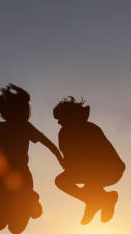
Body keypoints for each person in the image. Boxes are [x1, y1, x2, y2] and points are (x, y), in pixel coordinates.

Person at [0, 84, 64, 234]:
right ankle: (27, 201)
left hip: (22, 175)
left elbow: (47, 142)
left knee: (15, 229)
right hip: (1, 176)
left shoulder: (25, 127)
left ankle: (30, 199)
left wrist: (60, 158)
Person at [53, 96, 125, 224]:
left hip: (111, 170)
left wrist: (86, 181)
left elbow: (95, 158)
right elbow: (70, 162)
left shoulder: (90, 129)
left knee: (89, 176)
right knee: (61, 181)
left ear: (70, 117)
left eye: (61, 118)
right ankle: (96, 200)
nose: (59, 122)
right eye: (58, 119)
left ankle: (100, 200)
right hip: (90, 171)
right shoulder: (63, 134)